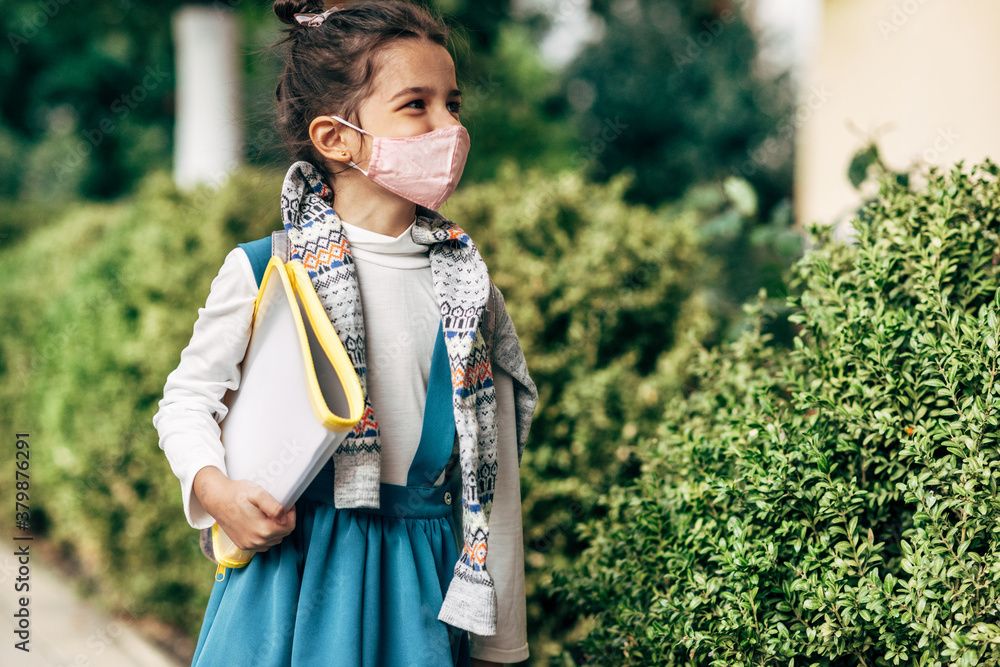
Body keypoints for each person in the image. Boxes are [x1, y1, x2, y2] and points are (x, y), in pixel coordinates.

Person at [152, 1, 538, 665]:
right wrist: (218, 493)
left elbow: (491, 477)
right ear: (336, 139)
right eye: (417, 105)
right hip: (287, 574)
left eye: (453, 102)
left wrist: (500, 643)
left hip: (418, 585)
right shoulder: (266, 270)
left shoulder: (473, 295)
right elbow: (186, 401)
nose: (450, 125)